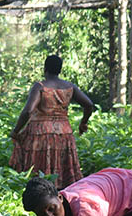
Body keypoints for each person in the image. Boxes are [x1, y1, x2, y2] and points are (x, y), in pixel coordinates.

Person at [10, 55, 95, 189]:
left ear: (45, 69)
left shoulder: (40, 86)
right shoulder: (70, 87)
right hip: (64, 132)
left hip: (40, 132)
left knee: (38, 167)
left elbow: (28, 111)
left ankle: (39, 192)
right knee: (62, 165)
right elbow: (88, 104)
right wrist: (83, 122)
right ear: (60, 70)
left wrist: (16, 131)